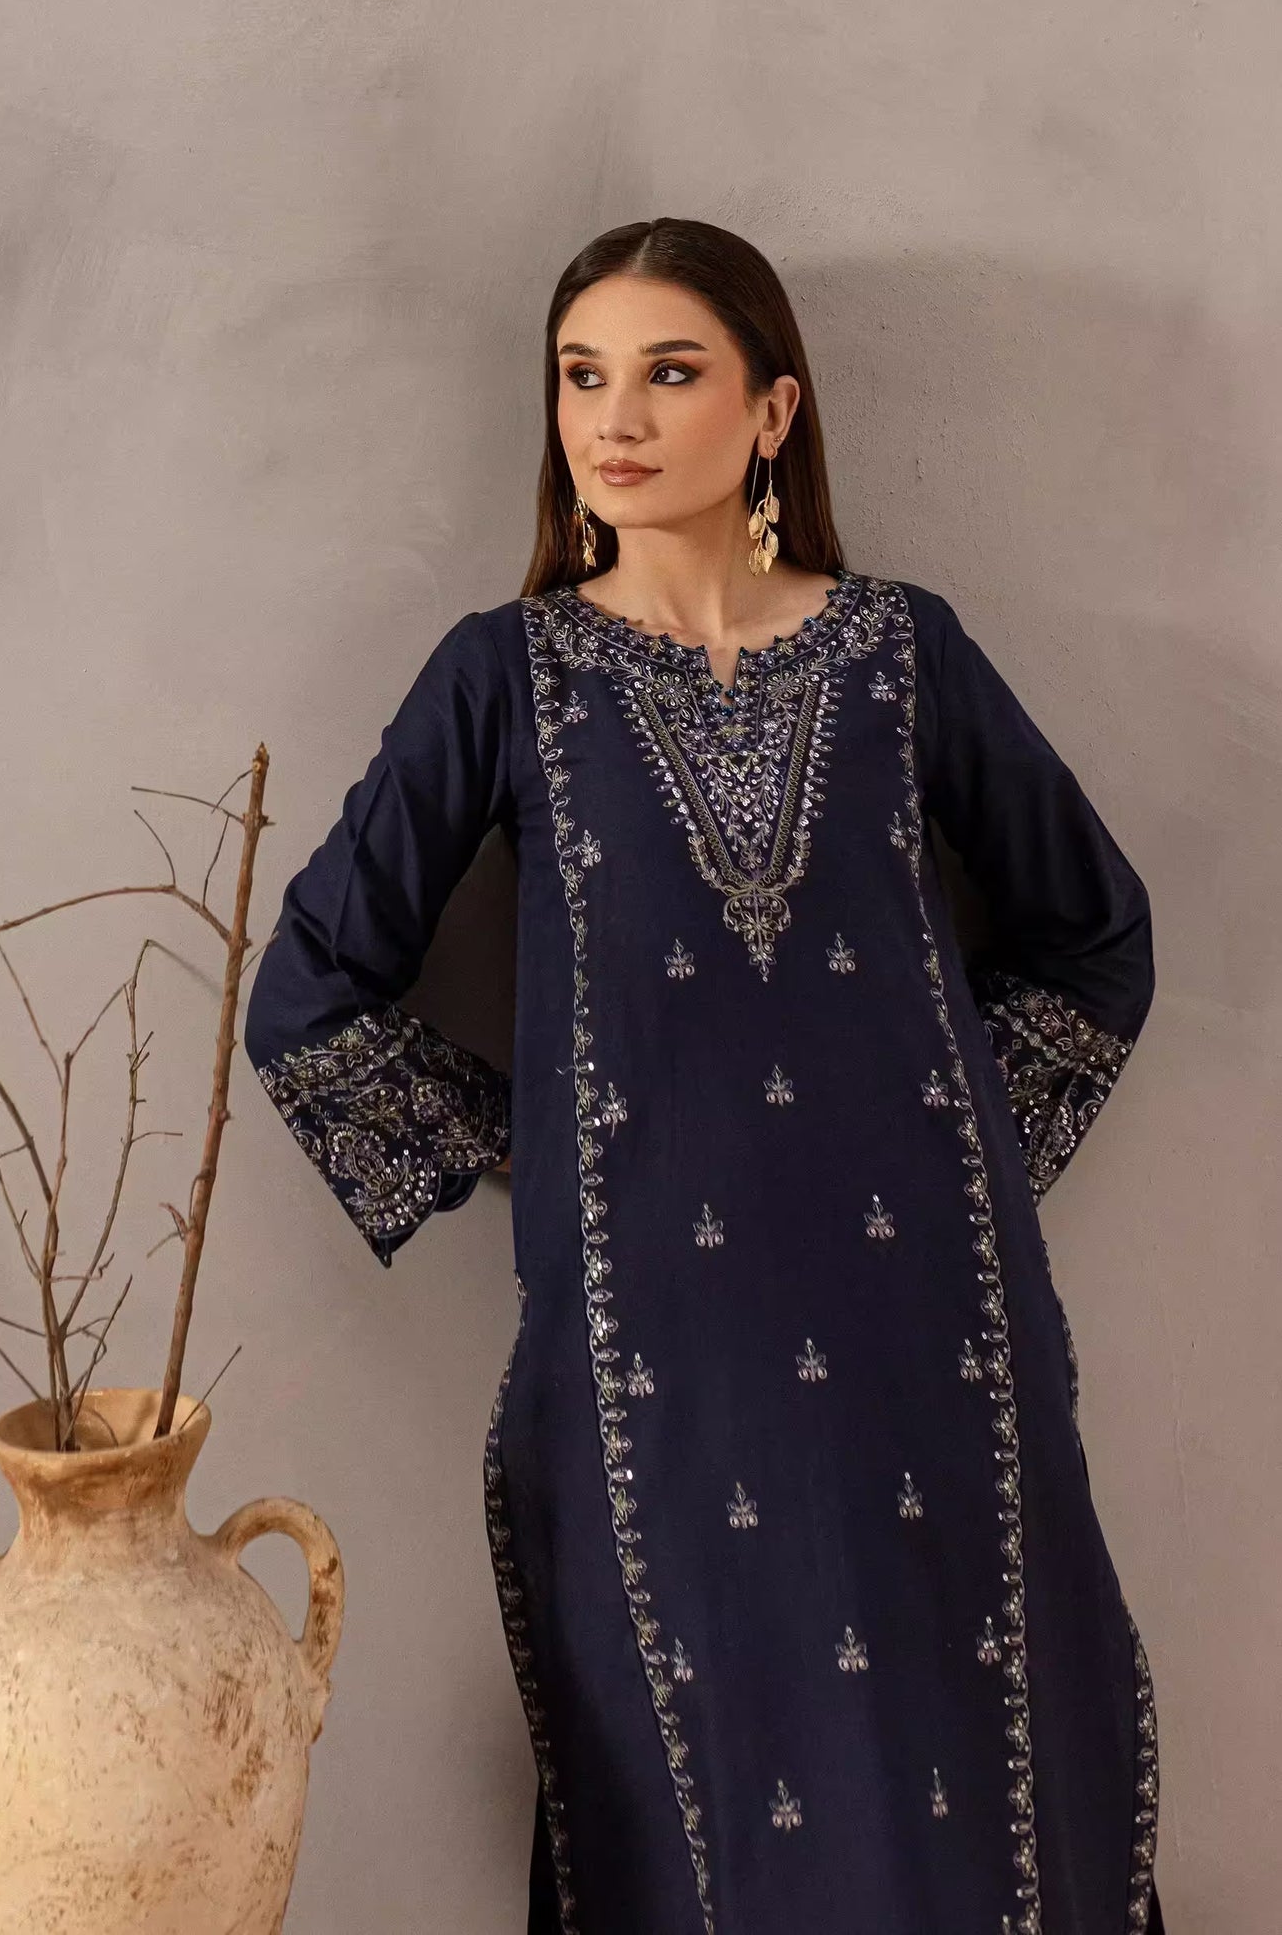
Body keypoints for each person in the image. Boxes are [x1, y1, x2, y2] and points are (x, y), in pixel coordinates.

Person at [242, 216, 1164, 1935]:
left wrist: (959, 1158)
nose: (618, 415)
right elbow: (307, 993)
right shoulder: (503, 676)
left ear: (771, 412)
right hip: (650, 1342)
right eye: (583, 375)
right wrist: (552, 1173)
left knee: (967, 1750)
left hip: (927, 1330)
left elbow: (1094, 935)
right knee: (691, 1780)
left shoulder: (899, 655)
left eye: (671, 372)